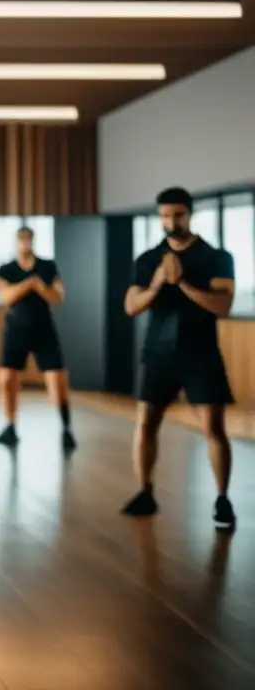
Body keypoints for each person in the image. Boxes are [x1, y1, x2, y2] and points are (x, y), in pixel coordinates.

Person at [122, 187, 236, 531]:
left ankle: (222, 498)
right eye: (165, 216)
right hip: (158, 354)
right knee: (145, 425)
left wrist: (182, 281)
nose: (171, 222)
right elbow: (130, 306)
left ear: (189, 214)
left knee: (213, 428)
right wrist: (158, 282)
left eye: (178, 215)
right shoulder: (147, 260)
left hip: (201, 353)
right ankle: (144, 491)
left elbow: (223, 306)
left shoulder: (216, 257)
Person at [0, 226, 77, 453]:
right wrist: (29, 284)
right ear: (16, 242)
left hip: (43, 329)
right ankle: (10, 426)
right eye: (21, 240)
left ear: (33, 241)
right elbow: (6, 297)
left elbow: (58, 296)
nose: (25, 244)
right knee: (6, 379)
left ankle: (66, 428)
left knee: (57, 382)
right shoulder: (6, 269)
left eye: (28, 239)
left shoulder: (47, 267)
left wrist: (38, 285)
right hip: (15, 330)